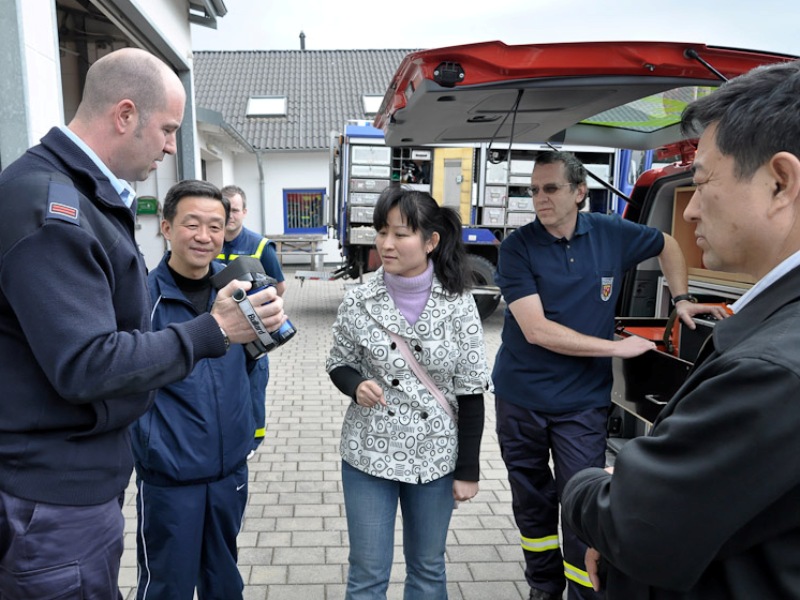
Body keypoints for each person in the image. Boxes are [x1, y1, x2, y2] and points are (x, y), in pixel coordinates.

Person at [0, 48, 284, 599]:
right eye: (169, 129)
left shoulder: (77, 195)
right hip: (54, 498)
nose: (174, 146)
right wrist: (213, 330)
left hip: (77, 487)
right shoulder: (53, 207)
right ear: (125, 115)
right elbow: (87, 363)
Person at [562, 60, 800, 599]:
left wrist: (586, 485)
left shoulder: (774, 369)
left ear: (780, 182)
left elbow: (639, 525)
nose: (688, 211)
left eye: (702, 181)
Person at [492, 151, 728, 600]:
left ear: (580, 192)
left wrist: (681, 299)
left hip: (581, 402)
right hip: (520, 397)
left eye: (551, 188)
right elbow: (537, 330)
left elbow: (668, 243)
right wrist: (615, 348)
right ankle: (543, 586)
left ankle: (586, 593)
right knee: (532, 501)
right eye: (534, 189)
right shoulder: (517, 247)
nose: (539, 198)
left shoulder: (611, 234)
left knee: (581, 501)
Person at [326, 187, 492, 600]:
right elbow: (338, 361)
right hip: (369, 453)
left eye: (401, 234)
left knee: (428, 568)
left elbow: (472, 390)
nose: (386, 243)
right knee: (366, 573)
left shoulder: (458, 303)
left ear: (431, 241)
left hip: (436, 456)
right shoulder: (360, 297)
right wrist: (354, 384)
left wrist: (467, 470)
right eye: (381, 231)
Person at [131, 180, 254, 599]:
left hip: (228, 475)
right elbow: (126, 376)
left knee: (225, 583)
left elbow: (257, 367)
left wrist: (251, 431)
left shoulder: (240, 292)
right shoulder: (141, 300)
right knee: (168, 587)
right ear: (166, 228)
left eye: (216, 226)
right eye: (192, 224)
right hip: (170, 480)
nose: (205, 237)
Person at [217, 184, 286, 452]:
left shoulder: (259, 246)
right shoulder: (211, 240)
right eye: (225, 210)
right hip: (219, 333)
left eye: (234, 210)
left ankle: (254, 442)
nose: (229, 216)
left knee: (253, 388)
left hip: (252, 335)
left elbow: (279, 286)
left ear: (244, 212)